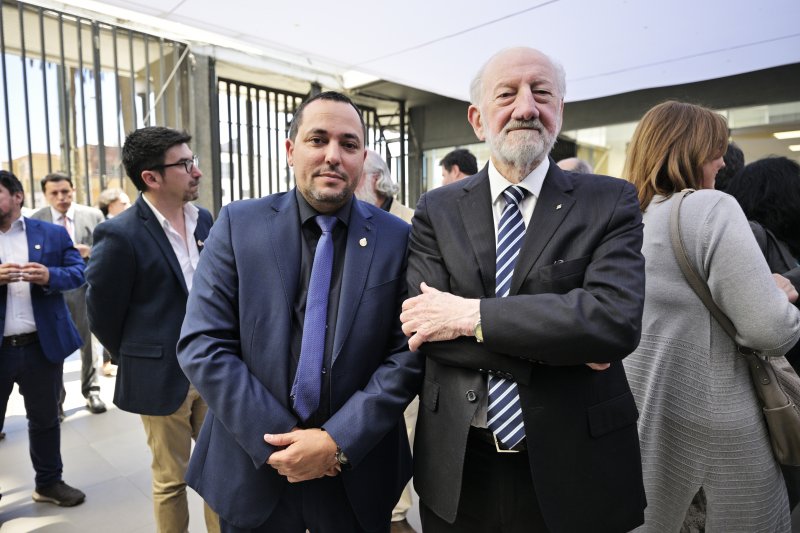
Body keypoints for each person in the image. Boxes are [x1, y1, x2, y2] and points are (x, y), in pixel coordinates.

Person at [400, 47, 647, 533]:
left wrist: (469, 316)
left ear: (560, 111)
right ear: (478, 119)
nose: (527, 107)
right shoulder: (437, 209)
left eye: (542, 93)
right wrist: (567, 343)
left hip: (578, 464)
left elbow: (613, 323)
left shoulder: (610, 200)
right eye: (507, 94)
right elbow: (424, 329)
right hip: (460, 466)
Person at [177, 91, 423, 533]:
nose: (333, 155)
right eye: (318, 139)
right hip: (254, 468)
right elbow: (203, 343)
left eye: (348, 144)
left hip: (355, 471)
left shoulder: (397, 238)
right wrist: (284, 443)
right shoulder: (237, 225)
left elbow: (407, 353)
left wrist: (336, 441)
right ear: (291, 150)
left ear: (362, 158)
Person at [621, 101, 800, 532]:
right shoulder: (710, 207)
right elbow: (771, 330)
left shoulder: (627, 218)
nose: (722, 161)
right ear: (687, 151)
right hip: (719, 436)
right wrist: (779, 297)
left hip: (646, 419)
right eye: (715, 150)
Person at [85, 127, 219, 533]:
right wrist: (140, 356)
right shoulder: (121, 233)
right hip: (161, 375)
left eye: (193, 160)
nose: (196, 171)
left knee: (222, 474)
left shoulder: (203, 220)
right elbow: (102, 312)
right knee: (171, 480)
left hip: (213, 369)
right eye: (185, 164)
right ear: (151, 177)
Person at [0, 170, 86, 506]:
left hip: (41, 346)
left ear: (17, 196)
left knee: (46, 420)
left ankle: (49, 483)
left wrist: (50, 275)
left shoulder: (51, 233)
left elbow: (78, 272)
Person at [355, 149, 416, 533]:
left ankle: (396, 515)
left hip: (399, 350)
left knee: (400, 433)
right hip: (358, 355)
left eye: (357, 171)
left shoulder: (411, 221)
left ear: (376, 179)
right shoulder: (348, 219)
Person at [31, 173, 106, 416]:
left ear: (73, 189)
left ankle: (92, 390)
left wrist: (90, 251)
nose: (61, 197)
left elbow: (109, 249)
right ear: (45, 195)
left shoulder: (93, 215)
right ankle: (57, 400)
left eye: (65, 191)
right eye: (54, 193)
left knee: (89, 343)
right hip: (51, 291)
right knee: (55, 344)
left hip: (86, 288)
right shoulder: (36, 220)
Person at [94, 187, 132, 377]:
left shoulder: (131, 224)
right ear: (110, 206)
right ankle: (108, 361)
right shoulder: (106, 227)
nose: (129, 206)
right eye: (123, 203)